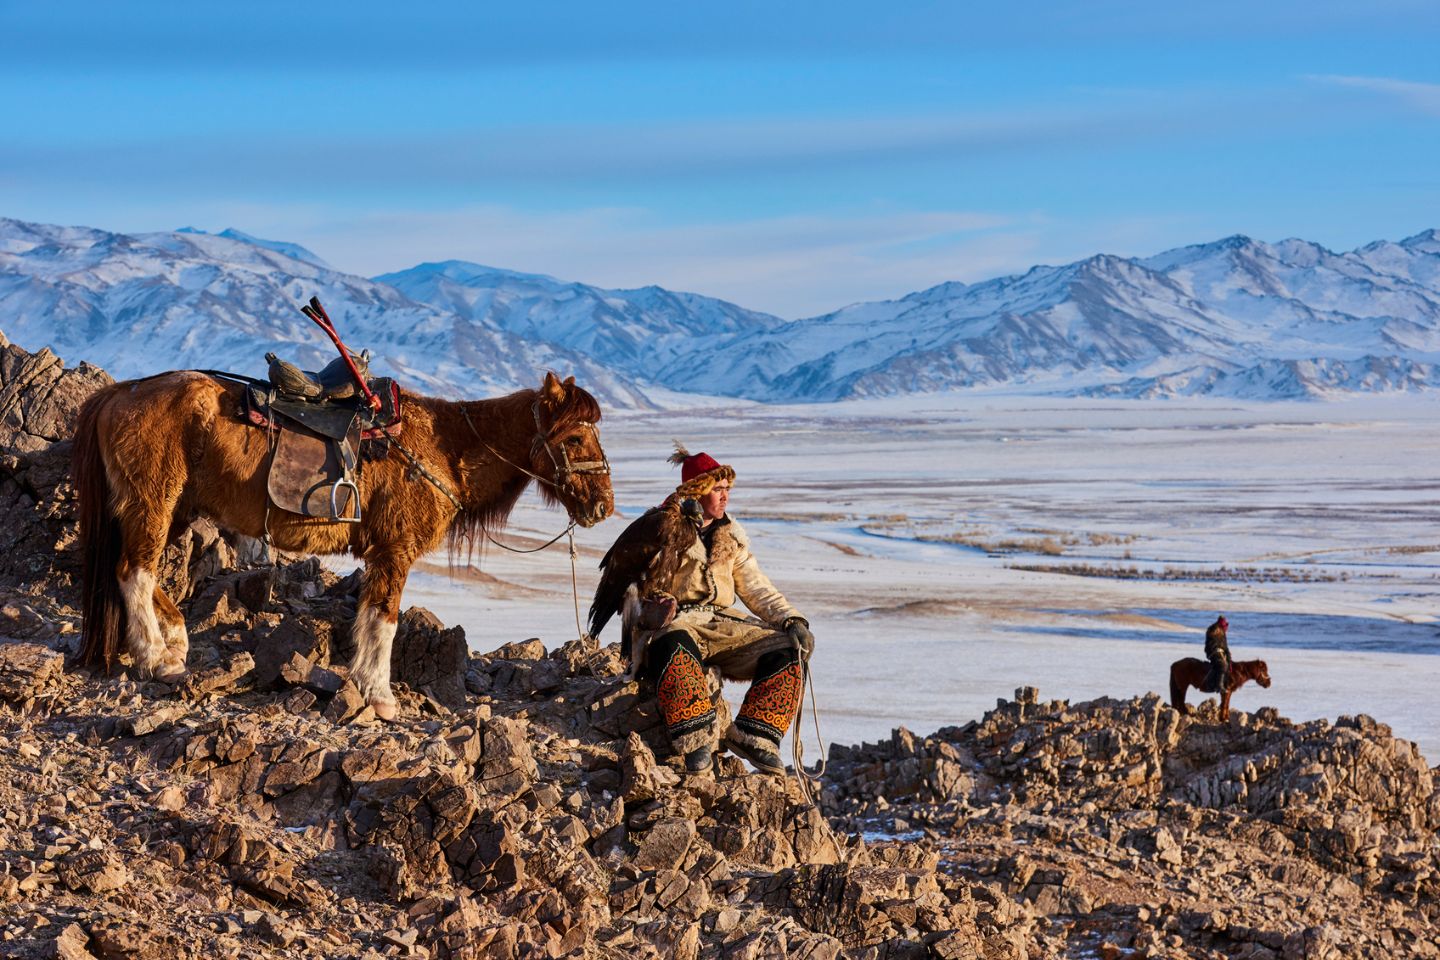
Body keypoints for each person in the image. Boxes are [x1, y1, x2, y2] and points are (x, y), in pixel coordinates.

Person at [594, 444, 813, 777]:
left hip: (720, 624)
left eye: (728, 489)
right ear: (697, 491)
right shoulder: (660, 529)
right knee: (672, 643)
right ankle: (696, 740)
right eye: (717, 488)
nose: (725, 496)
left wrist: (791, 619)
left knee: (789, 648)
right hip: (673, 624)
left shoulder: (730, 537)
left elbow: (756, 587)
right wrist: (645, 609)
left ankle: (754, 735)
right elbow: (630, 590)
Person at [1204, 614, 1231, 694]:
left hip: (1221, 652)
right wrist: (1217, 649)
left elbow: (1225, 646)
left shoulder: (1223, 632)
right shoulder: (1213, 629)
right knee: (1222, 665)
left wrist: (1228, 656)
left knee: (1228, 664)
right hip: (1213, 652)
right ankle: (1219, 685)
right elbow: (1211, 643)